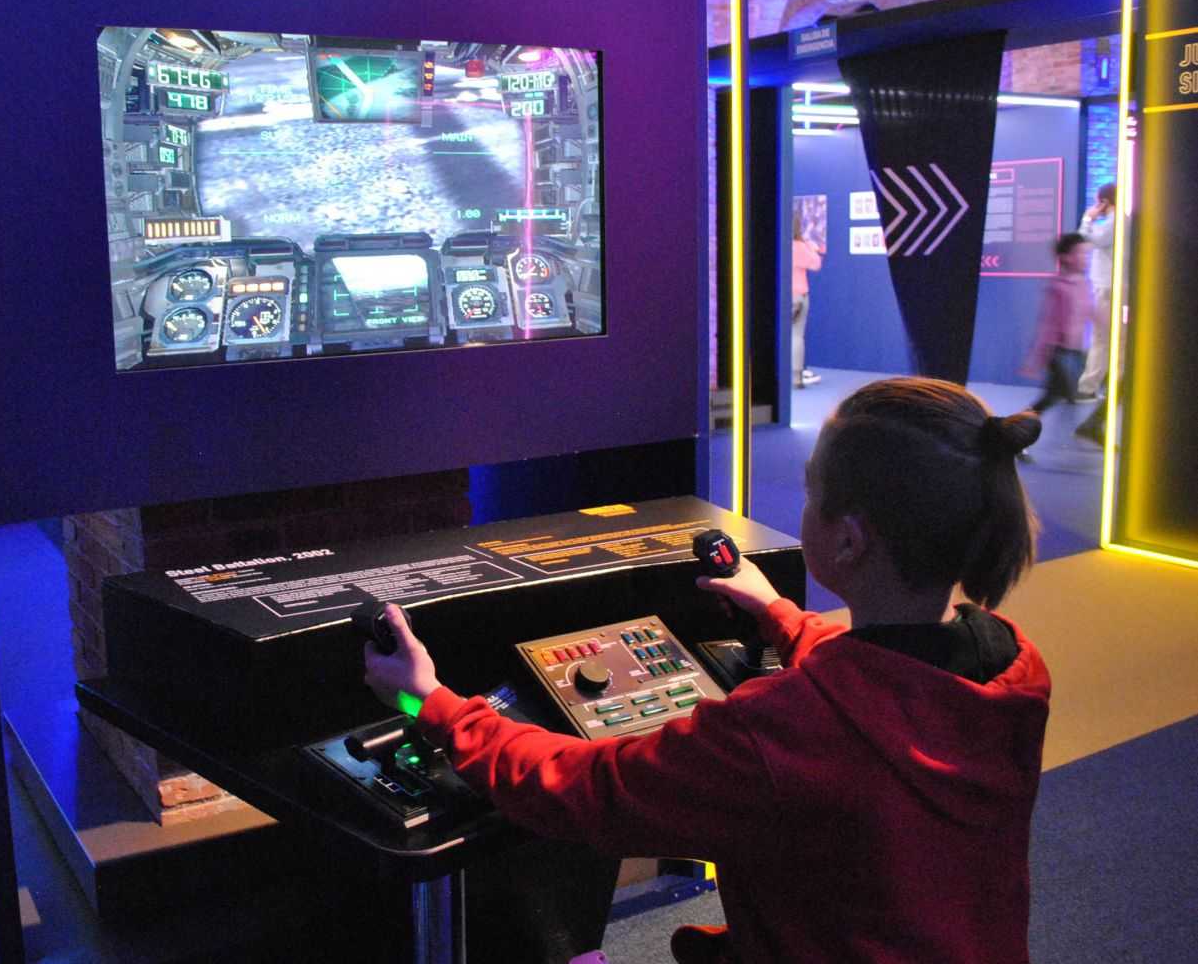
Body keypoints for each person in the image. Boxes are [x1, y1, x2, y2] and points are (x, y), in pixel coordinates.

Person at [364, 377, 1050, 963]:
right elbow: (883, 690)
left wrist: (433, 704)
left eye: (811, 492)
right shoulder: (1011, 667)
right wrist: (782, 616)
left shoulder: (778, 732)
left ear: (847, 540)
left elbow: (591, 790)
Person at [1022, 232, 1094, 426]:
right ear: (1066, 258)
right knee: (1057, 394)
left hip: (1077, 351)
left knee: (1057, 395)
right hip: (1059, 352)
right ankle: (1018, 425)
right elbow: (1047, 325)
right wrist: (1036, 359)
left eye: (1087, 254)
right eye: (1081, 253)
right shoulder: (1058, 287)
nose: (1086, 258)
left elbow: (1090, 312)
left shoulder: (1084, 284)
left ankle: (1018, 425)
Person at [1075, 183, 1116, 398]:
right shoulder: (1117, 222)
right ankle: (1113, 387)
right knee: (1114, 340)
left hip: (1106, 287)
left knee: (1100, 339)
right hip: (1110, 286)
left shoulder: (1112, 223)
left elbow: (1084, 239)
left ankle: (1088, 388)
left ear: (1104, 202)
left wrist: (1088, 219)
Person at [792, 226, 825, 388]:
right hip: (801, 296)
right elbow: (816, 264)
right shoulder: (801, 246)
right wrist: (812, 249)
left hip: (785, 296)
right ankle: (797, 379)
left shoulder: (781, 245)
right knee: (797, 337)